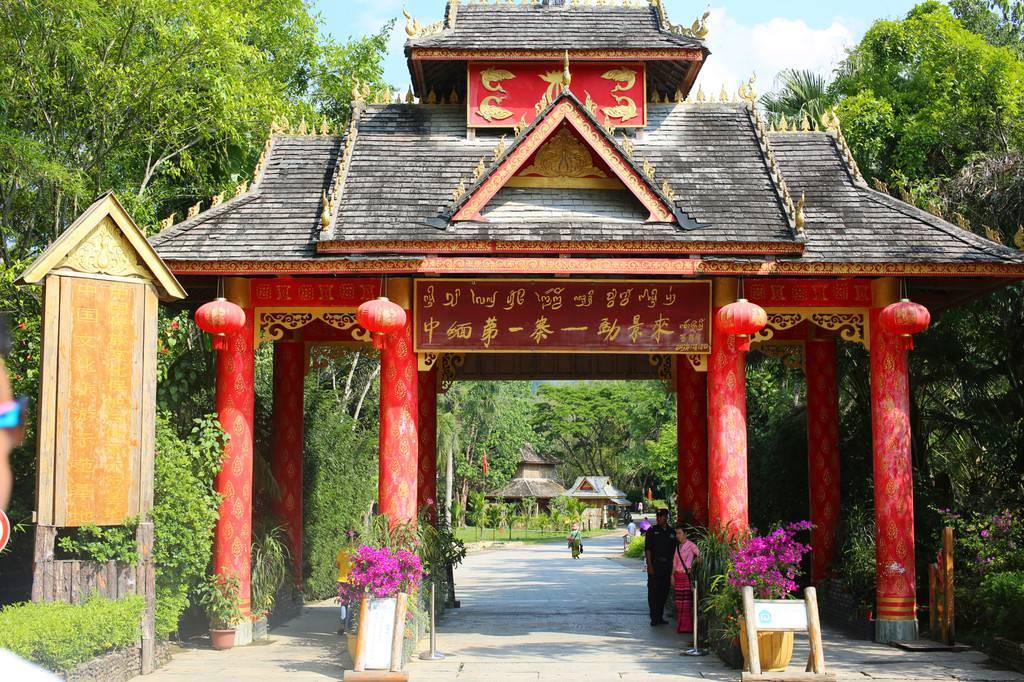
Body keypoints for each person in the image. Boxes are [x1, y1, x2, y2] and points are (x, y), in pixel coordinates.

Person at [644, 508, 676, 626]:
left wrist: (673, 568)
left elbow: (674, 552)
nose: (658, 519)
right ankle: (654, 618)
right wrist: (649, 566)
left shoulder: (672, 532)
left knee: (664, 592)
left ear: (666, 518)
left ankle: (660, 616)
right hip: (655, 565)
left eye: (661, 517)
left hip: (667, 566)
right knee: (653, 592)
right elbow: (648, 550)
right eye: (657, 517)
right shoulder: (651, 531)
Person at [672, 525, 701, 634]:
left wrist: (692, 566)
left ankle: (687, 627)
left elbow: (700, 556)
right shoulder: (677, 547)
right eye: (677, 533)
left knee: (686, 603)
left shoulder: (691, 545)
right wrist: (672, 576)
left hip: (686, 576)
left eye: (679, 533)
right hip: (678, 576)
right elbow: (674, 563)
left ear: (685, 534)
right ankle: (681, 626)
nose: (677, 535)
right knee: (679, 603)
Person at [335, 531, 358, 634]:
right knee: (353, 604)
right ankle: (351, 626)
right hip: (353, 581)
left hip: (342, 580)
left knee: (343, 603)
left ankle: (342, 625)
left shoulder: (342, 551)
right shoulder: (357, 553)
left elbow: (337, 565)